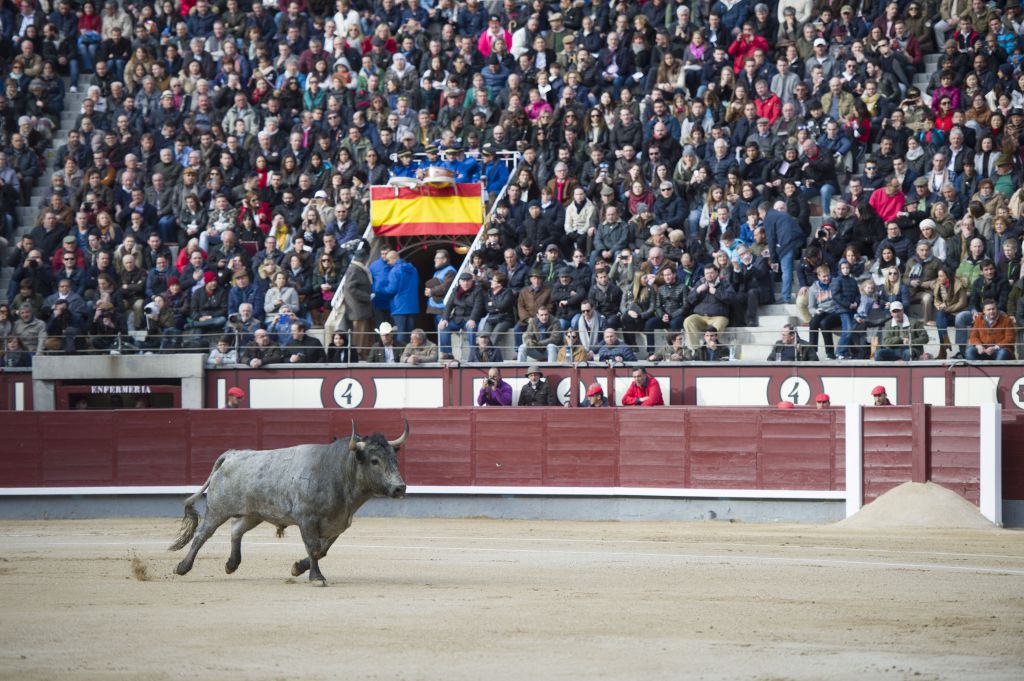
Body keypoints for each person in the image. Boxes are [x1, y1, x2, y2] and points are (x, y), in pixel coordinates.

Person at [439, 273, 484, 360]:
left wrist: (472, 319)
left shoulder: (477, 290)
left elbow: (478, 307)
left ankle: (473, 354)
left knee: (471, 329)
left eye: (468, 281)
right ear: (460, 282)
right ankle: (448, 354)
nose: (466, 283)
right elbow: (449, 306)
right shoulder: (455, 290)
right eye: (463, 281)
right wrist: (445, 319)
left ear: (472, 281)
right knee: (443, 327)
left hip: (470, 318)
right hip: (457, 319)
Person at [342, 241, 374, 361]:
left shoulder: (357, 269)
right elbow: (350, 288)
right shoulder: (354, 270)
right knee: (359, 335)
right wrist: (367, 296)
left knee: (364, 334)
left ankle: (362, 354)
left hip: (361, 309)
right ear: (363, 259)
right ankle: (358, 355)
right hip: (358, 309)